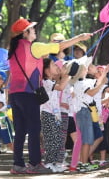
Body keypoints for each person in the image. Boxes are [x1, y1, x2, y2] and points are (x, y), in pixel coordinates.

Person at [8, 17, 91, 174]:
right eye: (32, 29)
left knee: (20, 130)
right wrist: (80, 37)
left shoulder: (12, 50)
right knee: (34, 128)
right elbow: (59, 46)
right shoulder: (34, 47)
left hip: (15, 94)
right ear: (25, 33)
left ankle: (17, 164)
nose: (34, 31)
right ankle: (35, 164)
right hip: (28, 93)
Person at [40, 58, 71, 172]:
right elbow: (61, 87)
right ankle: (48, 163)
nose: (56, 67)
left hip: (55, 114)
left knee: (57, 139)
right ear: (47, 70)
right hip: (47, 114)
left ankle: (53, 162)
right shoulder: (46, 82)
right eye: (53, 65)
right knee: (50, 140)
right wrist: (67, 76)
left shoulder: (52, 82)